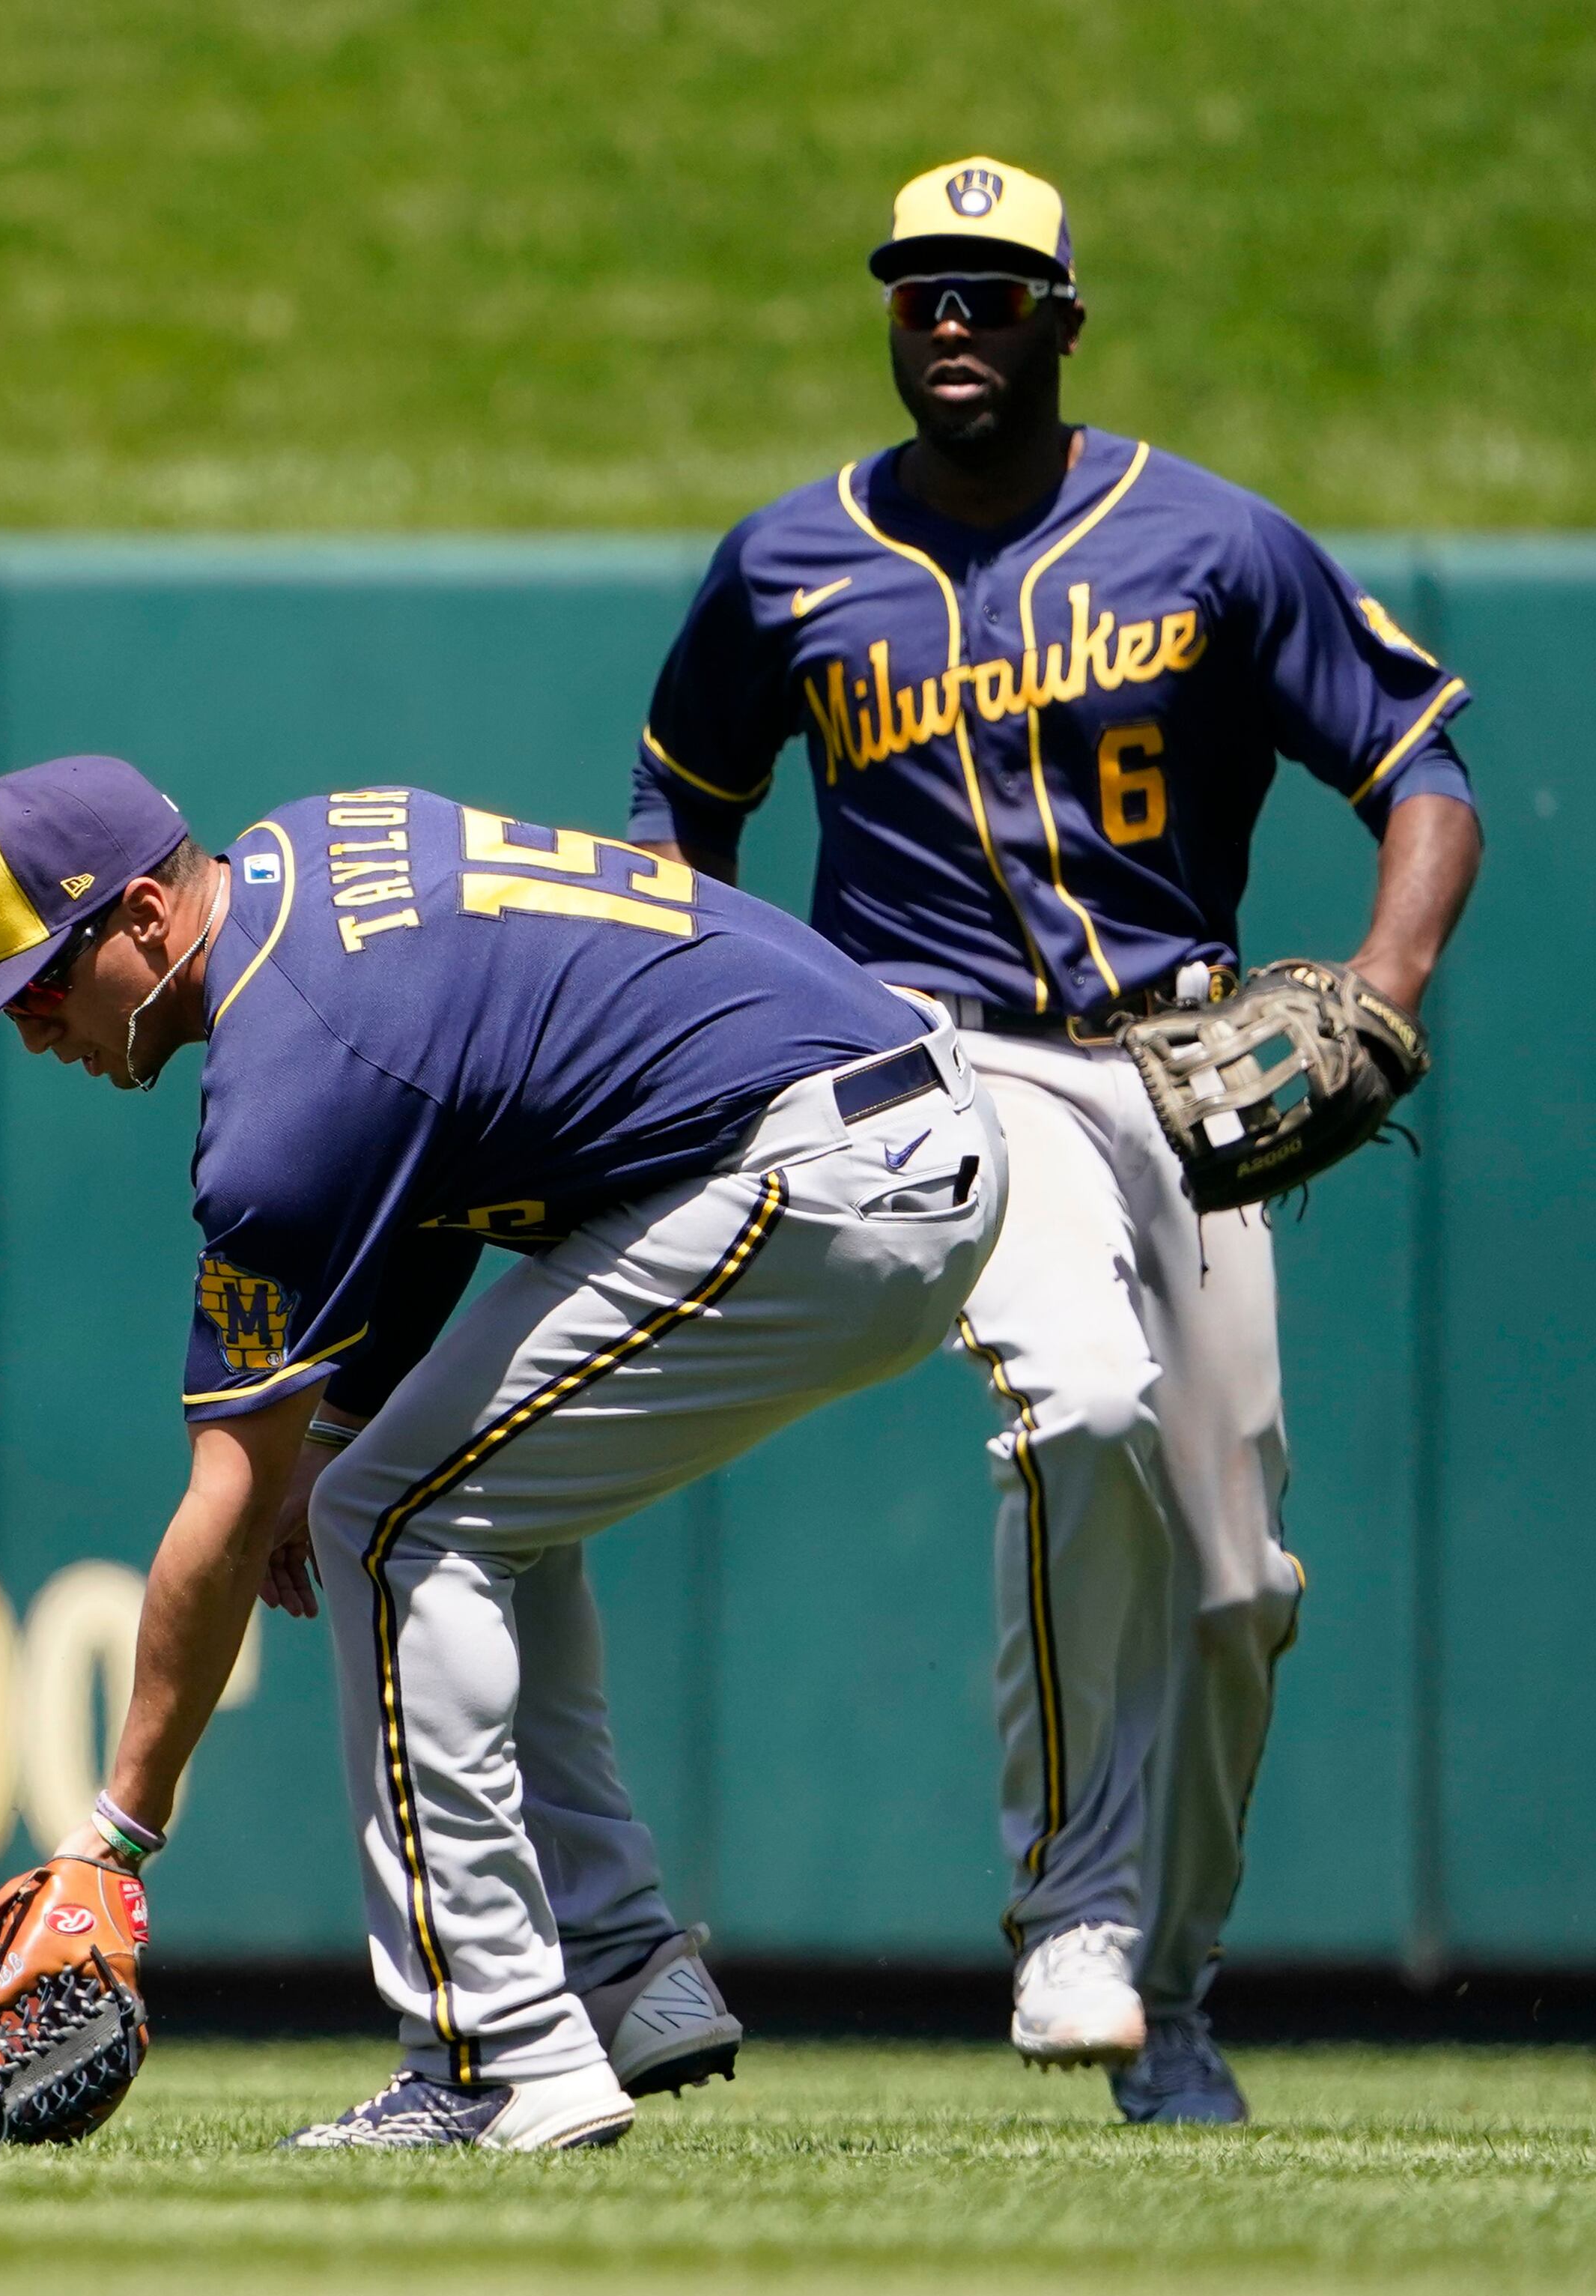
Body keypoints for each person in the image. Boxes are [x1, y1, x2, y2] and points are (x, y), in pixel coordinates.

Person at [625, 157, 1484, 2122]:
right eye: (922, 283)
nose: (952, 315)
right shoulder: (789, 561)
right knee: (1082, 1398)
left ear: (1063, 322)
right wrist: (709, 1051)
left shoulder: (1207, 537)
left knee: (1239, 1581)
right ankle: (1072, 1909)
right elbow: (684, 814)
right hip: (941, 1066)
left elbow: (1420, 766)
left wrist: (1384, 985)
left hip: (1184, 1073)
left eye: (995, 289)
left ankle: (1166, 1991)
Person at [0, 754, 1006, 2150]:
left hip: (820, 1175)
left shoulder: (287, 1079)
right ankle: (620, 1965)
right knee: (449, 1493)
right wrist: (346, 1431)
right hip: (870, 1125)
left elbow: (228, 1507)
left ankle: (499, 2055)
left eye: (45, 984)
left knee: (393, 1521)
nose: (33, 1030)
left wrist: (116, 1836)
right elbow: (432, 1165)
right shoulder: (303, 853)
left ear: (139, 912)